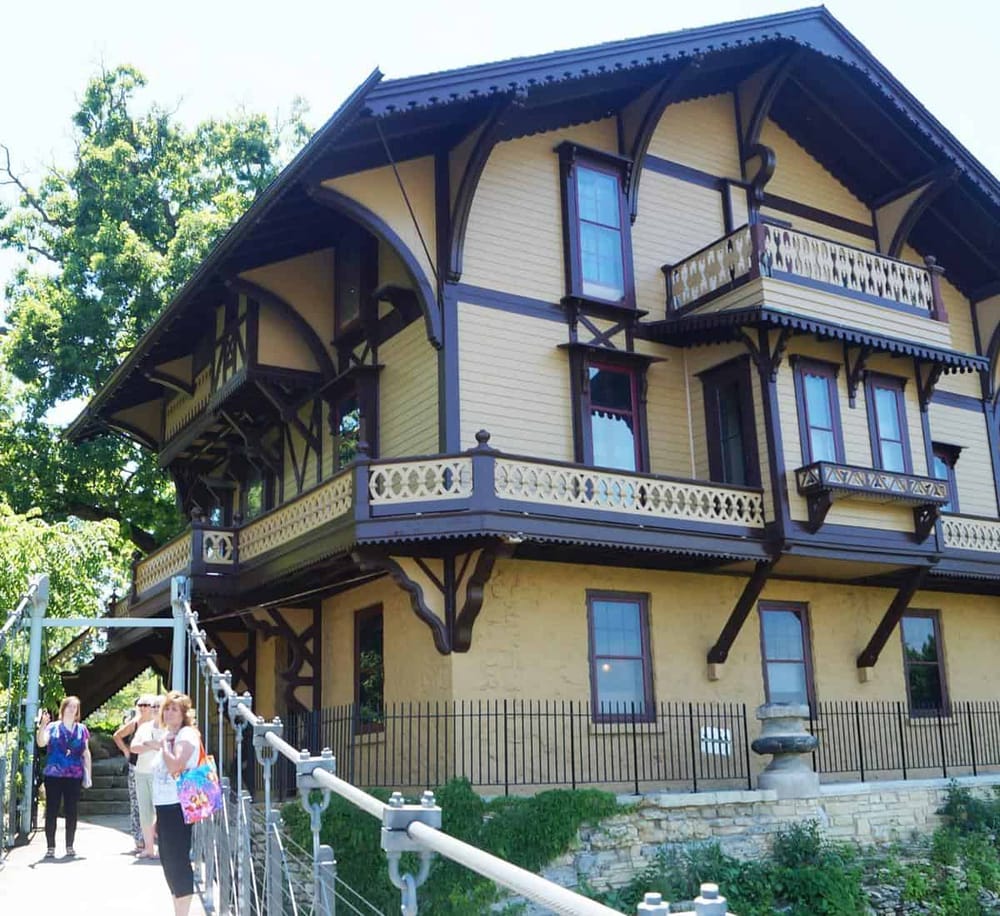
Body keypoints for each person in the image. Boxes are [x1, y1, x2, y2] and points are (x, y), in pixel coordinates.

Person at [152, 691, 200, 915]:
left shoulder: (186, 734)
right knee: (168, 862)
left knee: (177, 860)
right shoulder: (169, 734)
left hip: (178, 805)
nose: (169, 712)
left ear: (184, 714)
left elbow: (175, 767)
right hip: (165, 807)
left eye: (174, 709)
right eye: (167, 708)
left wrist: (162, 746)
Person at [36, 695, 92, 859]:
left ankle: (69, 845)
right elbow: (41, 743)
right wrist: (42, 726)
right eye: (69, 706)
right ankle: (50, 847)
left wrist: (88, 773)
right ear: (63, 708)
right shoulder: (53, 727)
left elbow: (86, 752)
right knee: (52, 809)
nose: (72, 710)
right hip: (54, 774)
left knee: (71, 810)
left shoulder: (82, 729)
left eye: (75, 707)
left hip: (74, 775)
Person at [113, 695, 154, 854]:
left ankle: (151, 838)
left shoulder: (157, 723)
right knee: (136, 803)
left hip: (153, 768)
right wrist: (125, 750)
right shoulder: (135, 723)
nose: (143, 708)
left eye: (147, 705)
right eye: (140, 705)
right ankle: (139, 839)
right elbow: (117, 735)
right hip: (136, 766)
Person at [129, 694, 163, 858]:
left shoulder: (168, 728)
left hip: (161, 775)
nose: (156, 709)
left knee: (162, 811)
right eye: (154, 706)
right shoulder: (144, 728)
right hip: (141, 772)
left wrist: (147, 745)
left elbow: (166, 747)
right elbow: (133, 748)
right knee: (145, 812)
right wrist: (152, 745)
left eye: (159, 706)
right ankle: (149, 848)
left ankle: (163, 847)